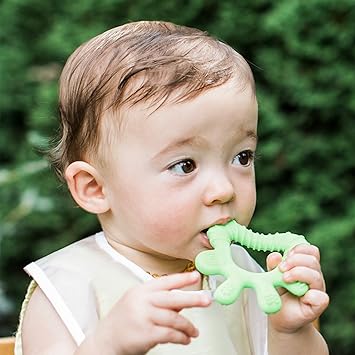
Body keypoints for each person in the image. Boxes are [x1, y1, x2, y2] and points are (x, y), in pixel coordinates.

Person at [15, 20, 329, 355]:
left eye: (242, 157)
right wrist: (109, 345)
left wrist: (290, 332)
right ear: (95, 188)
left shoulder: (239, 271)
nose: (224, 189)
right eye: (185, 166)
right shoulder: (68, 287)